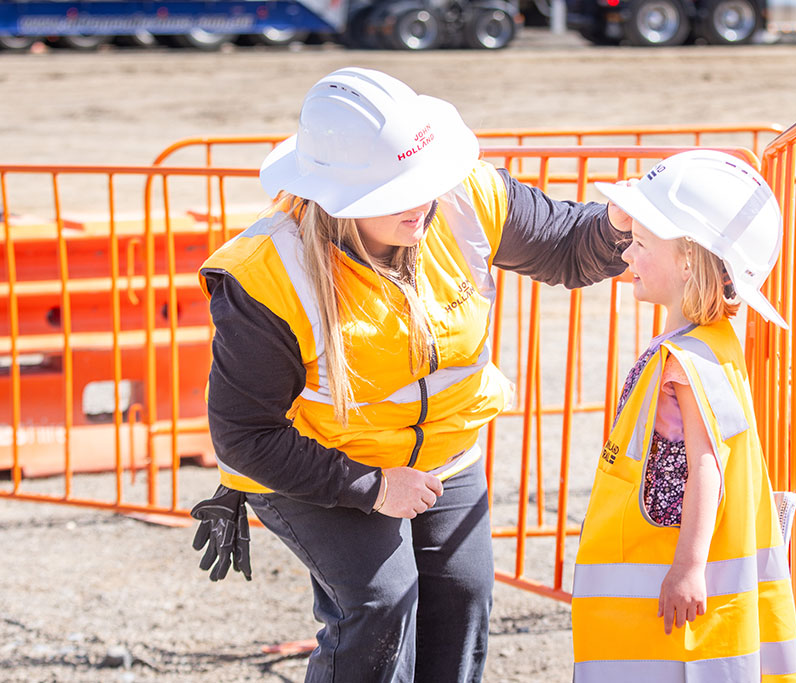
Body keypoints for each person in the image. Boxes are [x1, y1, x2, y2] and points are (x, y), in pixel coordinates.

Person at [187, 67, 633, 683]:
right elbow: (246, 435)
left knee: (463, 598)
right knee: (381, 606)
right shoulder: (263, 278)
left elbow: (564, 242)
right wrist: (371, 487)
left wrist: (620, 227)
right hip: (321, 461)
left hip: (443, 458)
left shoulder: (463, 197)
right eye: (398, 190)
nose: (422, 201)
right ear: (340, 198)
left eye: (425, 180)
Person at [571, 150, 796, 681]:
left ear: (688, 263)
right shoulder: (706, 344)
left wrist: (688, 567)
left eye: (642, 244)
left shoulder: (689, 358)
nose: (627, 253)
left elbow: (707, 466)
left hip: (666, 598)